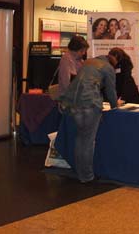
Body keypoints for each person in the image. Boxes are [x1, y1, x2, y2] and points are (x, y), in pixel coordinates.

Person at [58, 54, 124, 183]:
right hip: (90, 104)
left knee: (80, 139)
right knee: (88, 141)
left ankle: (80, 173)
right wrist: (115, 106)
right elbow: (111, 91)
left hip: (74, 103)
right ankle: (87, 176)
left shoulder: (87, 63)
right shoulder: (108, 68)